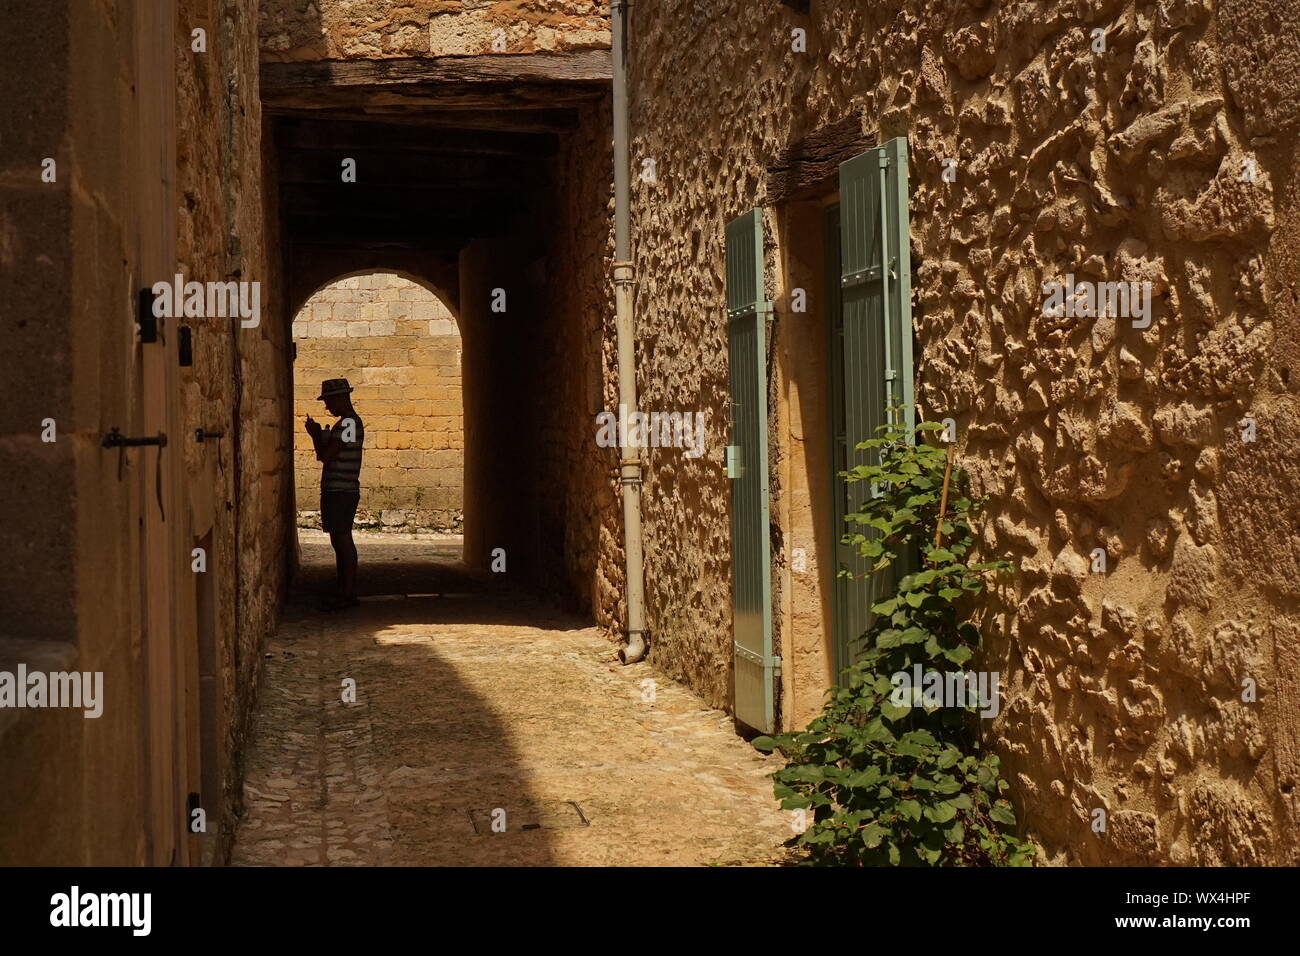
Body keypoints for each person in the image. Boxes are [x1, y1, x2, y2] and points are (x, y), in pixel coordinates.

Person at [305, 378, 364, 610]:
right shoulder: (347, 424)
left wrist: (315, 435)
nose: (327, 407)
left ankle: (347, 592)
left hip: (342, 490)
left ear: (341, 398)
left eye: (329, 401)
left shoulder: (348, 424)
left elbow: (326, 456)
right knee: (338, 539)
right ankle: (343, 589)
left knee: (342, 539)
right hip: (338, 489)